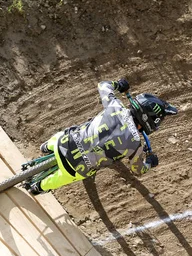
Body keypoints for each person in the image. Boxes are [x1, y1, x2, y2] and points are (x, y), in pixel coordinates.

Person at [28, 79, 178, 195]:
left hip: (65, 143)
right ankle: (37, 188)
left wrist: (118, 85)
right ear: (150, 121)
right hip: (76, 168)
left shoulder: (115, 106)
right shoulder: (136, 145)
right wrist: (150, 163)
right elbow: (138, 170)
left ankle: (46, 147)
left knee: (67, 133)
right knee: (58, 180)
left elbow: (103, 85)